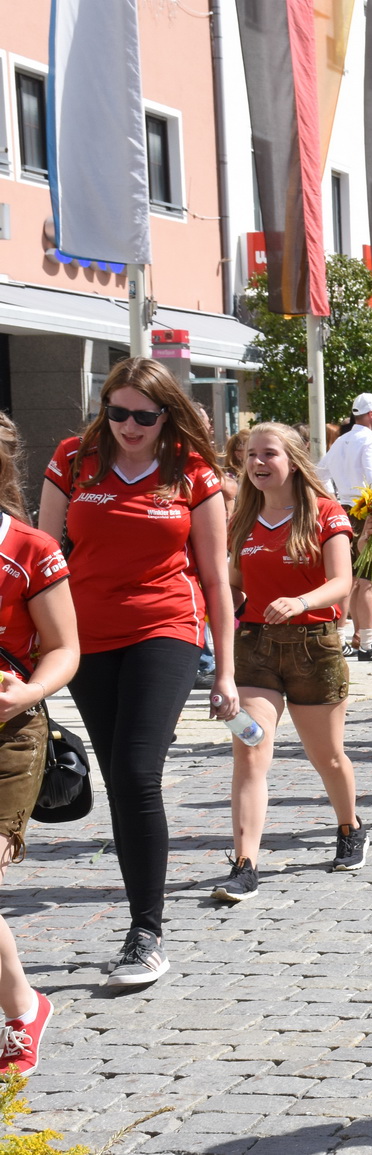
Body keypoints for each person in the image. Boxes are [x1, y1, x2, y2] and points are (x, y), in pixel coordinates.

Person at [36, 358, 236, 986]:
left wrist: (225, 670)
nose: (128, 425)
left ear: (165, 415)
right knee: (120, 781)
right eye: (116, 411)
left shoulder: (191, 470)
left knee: (136, 770)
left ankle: (146, 933)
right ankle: (140, 917)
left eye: (143, 415)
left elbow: (215, 578)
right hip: (87, 636)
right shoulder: (74, 458)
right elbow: (43, 560)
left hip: (165, 630)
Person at [214, 424, 361, 902]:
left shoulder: (325, 512)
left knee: (328, 756)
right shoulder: (243, 518)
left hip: (313, 648)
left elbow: (342, 582)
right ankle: (245, 862)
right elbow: (233, 584)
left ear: (294, 460)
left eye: (268, 454)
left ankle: (349, 826)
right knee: (250, 752)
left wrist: (300, 600)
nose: (257, 463)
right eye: (250, 455)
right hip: (255, 648)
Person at [0, 414, 76, 1073]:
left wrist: (25, 693)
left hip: (9, 733)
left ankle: (23, 1012)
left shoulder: (28, 547)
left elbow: (63, 648)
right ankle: (23, 1002)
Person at [321, 393, 372, 660]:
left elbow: (320, 473)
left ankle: (340, 639)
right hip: (367, 510)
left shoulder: (340, 440)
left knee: (346, 580)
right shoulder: (369, 439)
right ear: (371, 413)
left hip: (344, 510)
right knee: (369, 580)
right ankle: (368, 643)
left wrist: (333, 500)